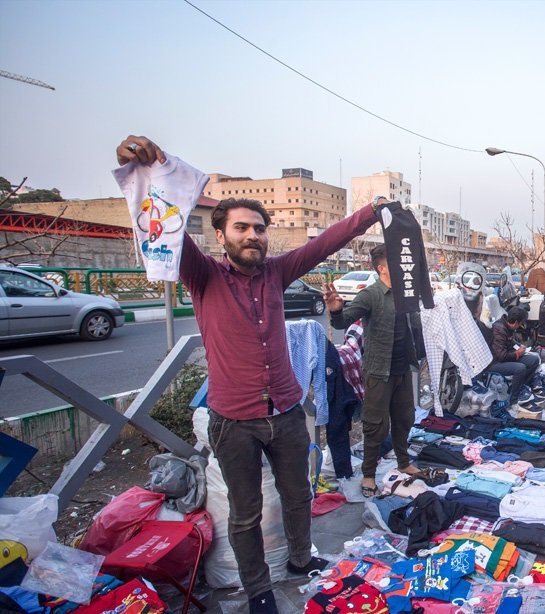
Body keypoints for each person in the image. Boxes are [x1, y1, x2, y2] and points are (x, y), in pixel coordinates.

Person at [114, 136, 378, 613]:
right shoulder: (203, 275)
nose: (253, 236)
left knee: (298, 494)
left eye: (259, 228)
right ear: (222, 236)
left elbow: (322, 244)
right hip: (233, 419)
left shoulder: (277, 273)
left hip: (287, 411)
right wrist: (143, 169)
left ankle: (300, 561)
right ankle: (257, 588)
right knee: (245, 511)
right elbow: (167, 226)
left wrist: (370, 213)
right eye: (243, 228)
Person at [328, 245, 421, 499]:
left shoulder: (406, 294)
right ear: (382, 268)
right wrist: (336, 309)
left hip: (402, 369)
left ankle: (403, 461)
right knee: (375, 425)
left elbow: (415, 327)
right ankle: (369, 473)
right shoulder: (371, 295)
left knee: (405, 418)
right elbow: (344, 320)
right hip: (379, 370)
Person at [489, 306, 541, 404]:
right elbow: (501, 356)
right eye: (521, 324)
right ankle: (514, 399)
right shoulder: (499, 329)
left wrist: (518, 345)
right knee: (520, 368)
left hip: (505, 357)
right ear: (516, 322)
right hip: (495, 362)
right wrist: (517, 353)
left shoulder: (507, 326)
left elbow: (509, 340)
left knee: (534, 360)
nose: (521, 326)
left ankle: (521, 387)